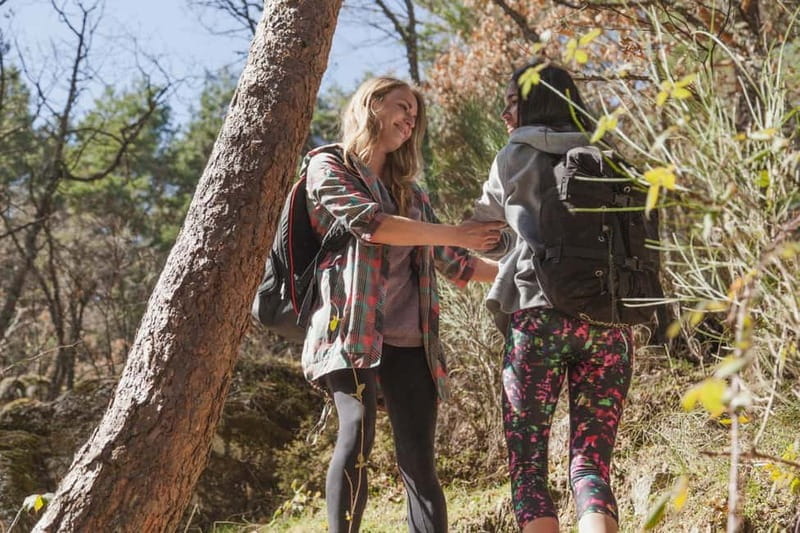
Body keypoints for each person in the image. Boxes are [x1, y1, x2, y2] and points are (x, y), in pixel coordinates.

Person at [302, 76, 502, 533]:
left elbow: (457, 264)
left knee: (420, 465)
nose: (410, 120)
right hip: (351, 334)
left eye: (415, 114)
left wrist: (527, 273)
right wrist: (454, 232)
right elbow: (369, 223)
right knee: (355, 438)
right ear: (371, 106)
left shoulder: (413, 194)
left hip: (414, 344)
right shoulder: (328, 165)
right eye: (401, 107)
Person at [471, 61, 634, 533]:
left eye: (510, 103)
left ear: (532, 102)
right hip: (609, 325)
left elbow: (485, 231)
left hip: (538, 322)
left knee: (528, 469)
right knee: (590, 465)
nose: (504, 115)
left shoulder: (514, 156)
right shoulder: (607, 151)